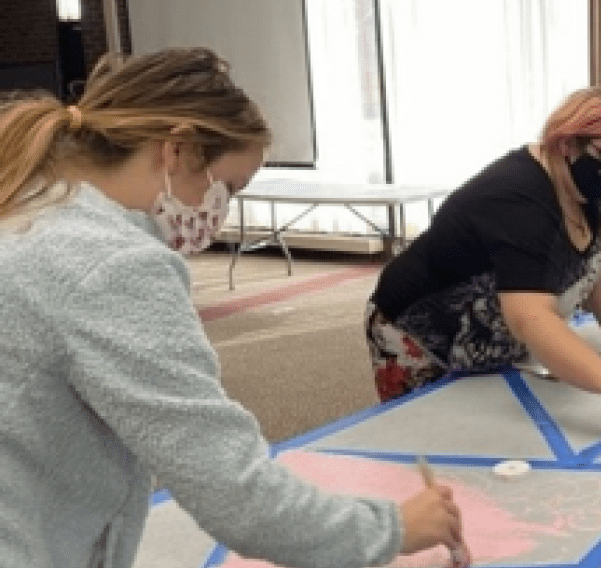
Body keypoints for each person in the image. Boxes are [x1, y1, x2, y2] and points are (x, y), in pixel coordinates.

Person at [0, 48, 468, 568]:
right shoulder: (110, 264)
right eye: (228, 188)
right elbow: (235, 494)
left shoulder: (28, 210)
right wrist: (395, 527)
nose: (219, 213)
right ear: (178, 151)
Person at [366, 86, 601, 434]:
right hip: (422, 333)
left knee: (494, 434)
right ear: (566, 143)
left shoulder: (579, 183)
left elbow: (598, 261)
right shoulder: (516, 195)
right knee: (434, 440)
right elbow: (530, 317)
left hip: (486, 333)